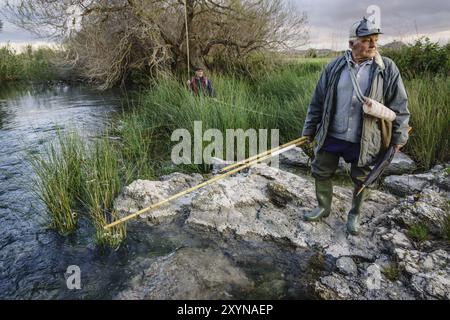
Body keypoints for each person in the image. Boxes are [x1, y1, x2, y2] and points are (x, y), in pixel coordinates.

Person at [301, 17, 410, 235]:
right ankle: (323, 207)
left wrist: (399, 137)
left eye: (375, 40)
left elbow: (399, 105)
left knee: (362, 178)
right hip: (332, 134)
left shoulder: (386, 69)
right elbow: (318, 101)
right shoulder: (334, 67)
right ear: (352, 44)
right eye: (367, 40)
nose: (373, 45)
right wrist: (309, 130)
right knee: (321, 170)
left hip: (365, 138)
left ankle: (355, 214)